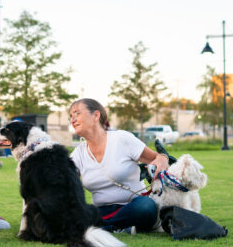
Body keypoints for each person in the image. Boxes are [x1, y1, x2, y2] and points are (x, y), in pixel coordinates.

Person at [69, 98, 170, 234]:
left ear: (96, 115)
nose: (72, 119)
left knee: (146, 206)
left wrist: (162, 159)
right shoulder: (78, 153)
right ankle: (119, 228)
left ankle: (101, 228)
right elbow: (64, 180)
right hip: (101, 211)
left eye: (77, 113)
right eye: (70, 116)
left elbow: (157, 157)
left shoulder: (122, 139)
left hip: (133, 206)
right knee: (75, 213)